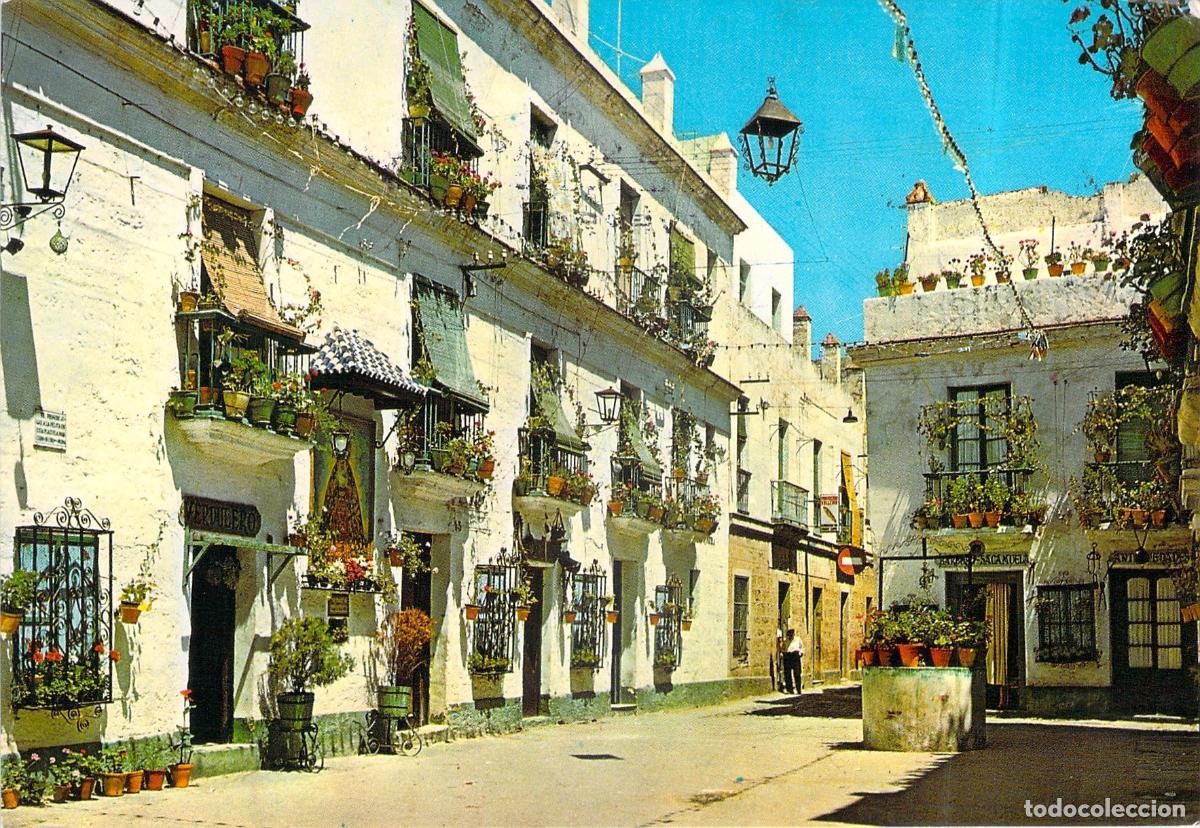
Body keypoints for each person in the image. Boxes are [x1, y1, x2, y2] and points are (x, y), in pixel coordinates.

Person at [782, 628, 803, 694]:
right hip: (788, 656)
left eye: (792, 635)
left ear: (794, 634)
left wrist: (800, 653)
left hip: (795, 656)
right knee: (787, 673)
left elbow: (801, 647)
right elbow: (783, 648)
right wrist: (783, 654)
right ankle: (790, 689)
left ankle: (798, 689)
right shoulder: (785, 641)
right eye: (789, 635)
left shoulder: (798, 639)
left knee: (797, 673)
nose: (790, 636)